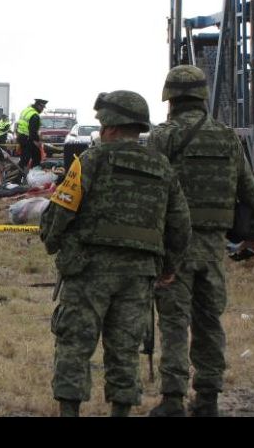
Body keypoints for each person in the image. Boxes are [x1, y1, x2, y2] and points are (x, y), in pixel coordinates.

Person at [40, 90, 191, 417]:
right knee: (124, 349)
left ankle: (70, 411)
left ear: (109, 125)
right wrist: (168, 268)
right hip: (138, 275)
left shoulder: (92, 160)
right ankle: (120, 411)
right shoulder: (161, 167)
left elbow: (59, 213)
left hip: (88, 271)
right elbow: (180, 225)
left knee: (75, 345)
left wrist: (53, 242)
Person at [147, 65, 254, 417]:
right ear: (202, 95)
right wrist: (253, 239)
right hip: (214, 247)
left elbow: (150, 190)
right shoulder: (227, 137)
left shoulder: (163, 136)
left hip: (173, 247)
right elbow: (250, 194)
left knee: (172, 321)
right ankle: (209, 399)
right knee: (209, 321)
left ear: (171, 98)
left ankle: (172, 399)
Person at [17, 99, 47, 169]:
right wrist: (37, 141)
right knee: (33, 158)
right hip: (28, 139)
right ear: (38, 106)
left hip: (21, 137)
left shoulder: (27, 110)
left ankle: (22, 174)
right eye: (42, 108)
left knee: (26, 157)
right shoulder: (34, 115)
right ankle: (23, 176)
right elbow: (33, 131)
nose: (42, 110)